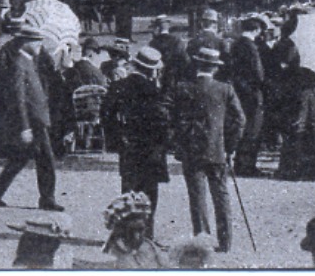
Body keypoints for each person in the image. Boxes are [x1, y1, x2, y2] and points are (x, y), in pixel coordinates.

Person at [169, 45, 245, 252]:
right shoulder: (225, 89)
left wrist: (181, 140)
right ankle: (225, 241)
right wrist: (230, 146)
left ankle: (203, 240)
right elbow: (240, 120)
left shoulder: (183, 87)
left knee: (197, 197)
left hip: (192, 151)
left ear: (197, 64)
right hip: (218, 150)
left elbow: (174, 119)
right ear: (215, 68)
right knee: (221, 195)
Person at [0, 25, 61, 211]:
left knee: (20, 158)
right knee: (46, 161)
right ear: (26, 42)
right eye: (37, 42)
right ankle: (47, 199)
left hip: (36, 119)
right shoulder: (20, 63)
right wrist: (24, 126)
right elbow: (18, 97)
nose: (40, 46)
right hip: (33, 121)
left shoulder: (28, 61)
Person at [100, 46, 171, 235]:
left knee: (129, 192)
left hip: (128, 147)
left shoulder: (119, 86)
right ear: (152, 69)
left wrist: (115, 140)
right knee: (149, 195)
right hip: (151, 150)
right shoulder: (154, 91)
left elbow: (106, 113)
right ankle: (147, 235)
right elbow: (163, 121)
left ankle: (126, 233)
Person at [227, 16, 267, 176]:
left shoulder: (236, 44)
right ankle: (247, 165)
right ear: (256, 30)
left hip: (239, 90)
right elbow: (258, 73)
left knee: (243, 126)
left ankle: (240, 163)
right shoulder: (251, 47)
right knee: (253, 129)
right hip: (252, 92)